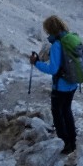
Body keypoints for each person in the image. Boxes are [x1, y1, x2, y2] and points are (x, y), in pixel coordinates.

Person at [31, 15, 78, 154]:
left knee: (57, 113)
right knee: (67, 111)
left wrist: (36, 63)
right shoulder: (71, 39)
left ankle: (64, 144)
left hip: (61, 85)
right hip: (73, 83)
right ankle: (73, 142)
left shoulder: (58, 44)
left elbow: (53, 69)